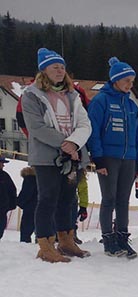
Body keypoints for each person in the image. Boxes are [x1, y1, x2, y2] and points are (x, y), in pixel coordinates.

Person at [20, 48, 92, 262]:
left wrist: (74, 143)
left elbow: (84, 123)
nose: (60, 71)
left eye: (62, 67)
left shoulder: (73, 95)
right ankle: (45, 245)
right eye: (55, 67)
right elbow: (36, 127)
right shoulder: (31, 95)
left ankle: (67, 241)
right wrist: (65, 144)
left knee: (69, 199)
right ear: (44, 70)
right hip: (46, 156)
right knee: (48, 198)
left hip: (73, 155)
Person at [86, 56, 138, 258]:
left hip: (128, 158)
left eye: (132, 81)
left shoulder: (131, 106)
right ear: (115, 80)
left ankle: (122, 237)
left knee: (123, 200)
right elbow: (93, 131)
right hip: (109, 157)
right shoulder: (100, 101)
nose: (130, 85)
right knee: (109, 198)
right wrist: (98, 158)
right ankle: (108, 239)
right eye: (127, 80)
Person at [17, 166, 38, 243]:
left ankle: (25, 244)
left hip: (30, 207)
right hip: (42, 206)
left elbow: (26, 193)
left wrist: (19, 202)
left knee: (26, 229)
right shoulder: (42, 179)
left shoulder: (29, 178)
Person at [0, 156, 17, 240]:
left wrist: (11, 205)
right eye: (1, 163)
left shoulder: (5, 176)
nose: (3, 165)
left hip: (2, 210)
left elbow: (12, 191)